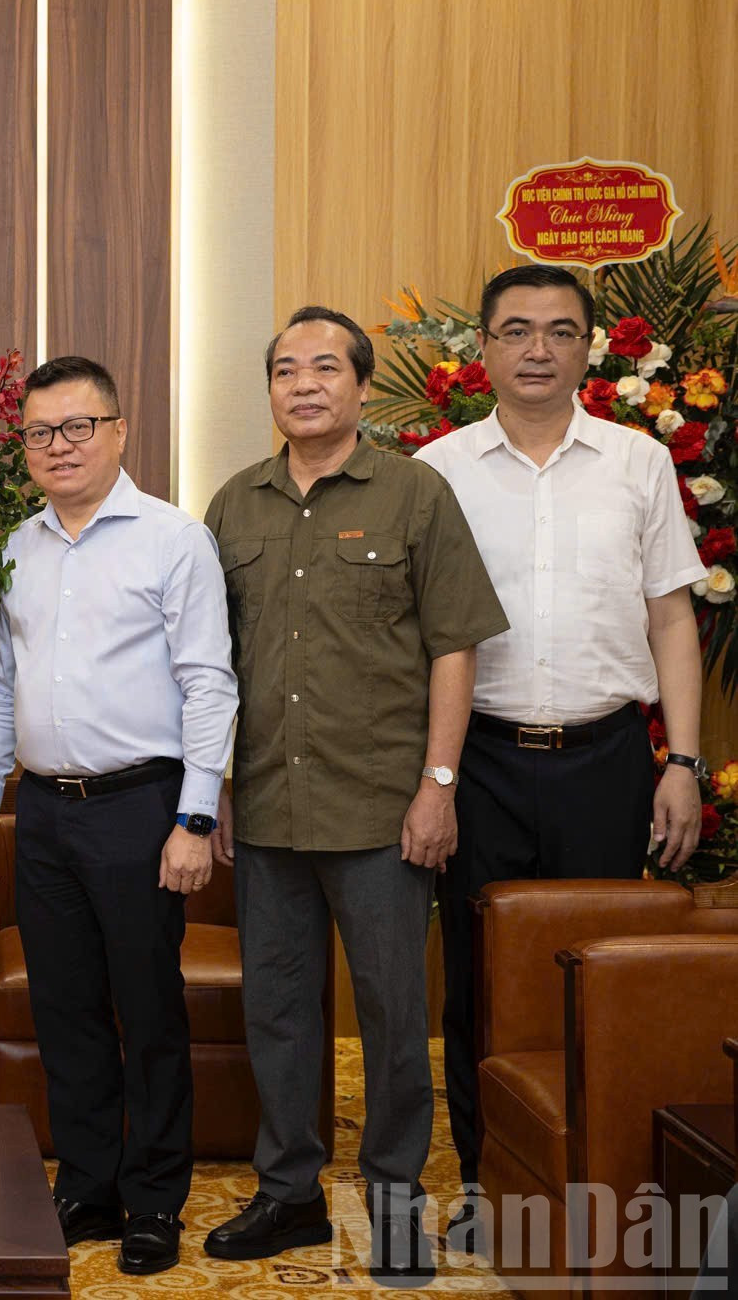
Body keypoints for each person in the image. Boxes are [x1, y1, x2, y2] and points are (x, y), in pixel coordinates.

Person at [201, 307, 508, 1287]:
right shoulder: (234, 505)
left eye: (326, 367)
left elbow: (454, 645)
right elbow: (210, 662)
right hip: (268, 804)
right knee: (279, 1011)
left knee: (391, 1014)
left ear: (363, 387)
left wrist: (439, 786)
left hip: (383, 808)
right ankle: (288, 1194)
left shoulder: (416, 494)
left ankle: (395, 1203)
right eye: (286, 368)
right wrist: (216, 785)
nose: (304, 384)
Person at [414, 264, 706, 1250]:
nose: (537, 349)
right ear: (483, 348)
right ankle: (488, 1189)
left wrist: (683, 762)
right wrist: (432, 778)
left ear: (590, 348)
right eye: (517, 330)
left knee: (598, 975)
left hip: (607, 759)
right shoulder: (440, 470)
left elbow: (672, 617)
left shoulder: (638, 463)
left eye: (560, 331)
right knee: (480, 983)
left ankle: (596, 1182)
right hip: (480, 761)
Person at [0, 355, 237, 1276]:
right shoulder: (14, 549)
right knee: (65, 1008)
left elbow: (209, 684)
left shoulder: (173, 540)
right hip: (44, 813)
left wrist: (194, 820)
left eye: (78, 427)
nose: (60, 446)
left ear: (119, 431)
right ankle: (88, 1185)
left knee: (148, 1011)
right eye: (40, 432)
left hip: (141, 809)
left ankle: (154, 1199)